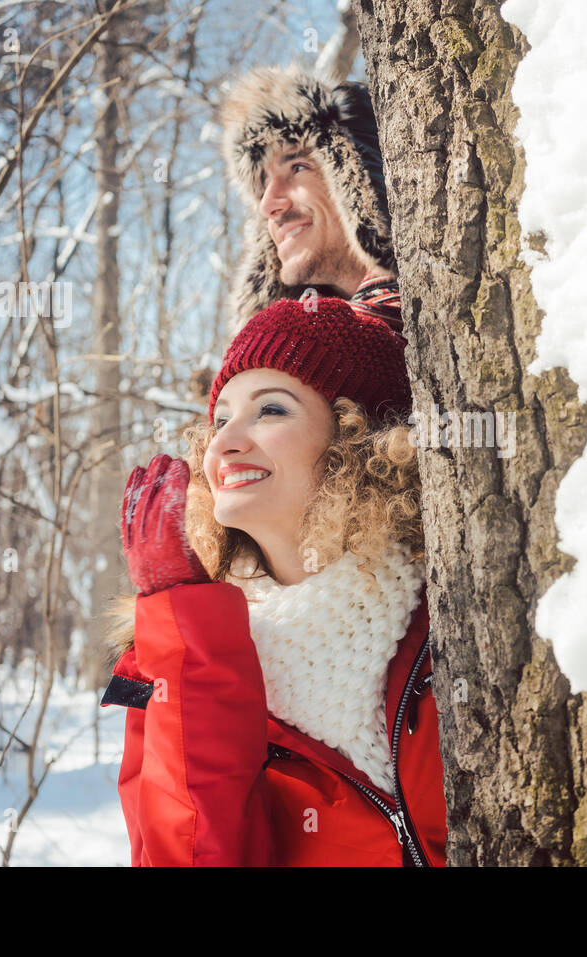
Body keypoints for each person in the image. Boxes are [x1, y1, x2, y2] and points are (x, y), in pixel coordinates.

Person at [101, 297, 446, 866]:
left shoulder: (454, 613)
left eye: (270, 410)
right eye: (219, 419)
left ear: (357, 438)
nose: (225, 442)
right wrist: (186, 633)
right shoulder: (169, 660)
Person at [218, 65, 402, 334]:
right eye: (262, 185)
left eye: (298, 167)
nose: (267, 205)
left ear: (361, 183)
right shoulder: (286, 346)